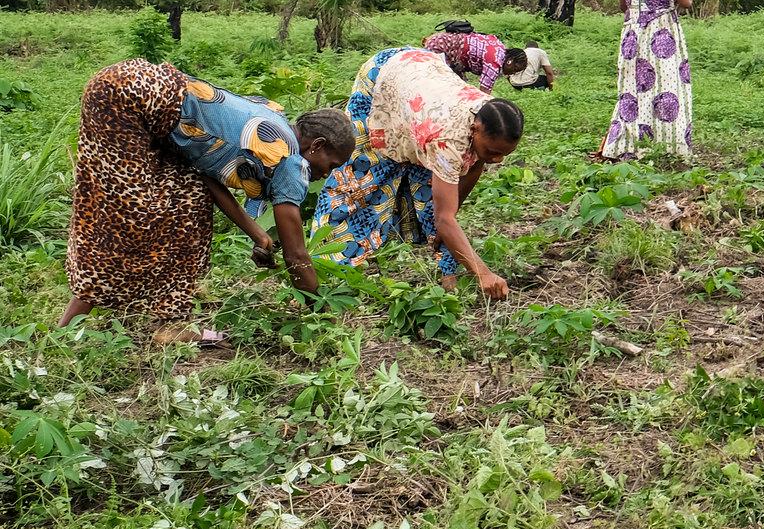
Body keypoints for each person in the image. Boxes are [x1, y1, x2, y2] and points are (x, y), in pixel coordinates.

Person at [59, 60, 354, 341]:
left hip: (135, 91)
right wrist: (322, 312)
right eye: (332, 164)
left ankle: (171, 322)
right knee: (129, 222)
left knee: (188, 205)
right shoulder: (289, 161)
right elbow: (296, 256)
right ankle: (66, 329)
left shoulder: (274, 124)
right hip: (127, 98)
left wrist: (257, 234)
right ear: (316, 146)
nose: (325, 175)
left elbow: (205, 175)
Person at [309, 47, 523, 298]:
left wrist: (449, 217)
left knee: (437, 202)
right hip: (385, 78)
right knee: (356, 182)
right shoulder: (447, 139)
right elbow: (445, 216)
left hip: (421, 87)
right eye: (493, 151)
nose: (497, 159)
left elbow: (473, 169)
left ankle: (448, 276)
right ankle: (325, 270)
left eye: (504, 155)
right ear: (475, 129)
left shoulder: (492, 116)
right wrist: (483, 272)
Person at [603, 0, 694, 161]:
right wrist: (684, 0)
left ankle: (628, 145)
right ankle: (668, 146)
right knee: (667, 85)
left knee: (631, 89)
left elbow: (623, 4)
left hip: (632, 35)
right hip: (662, 33)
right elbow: (685, 1)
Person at [422, 24, 528, 93]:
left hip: (450, 51)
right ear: (510, 61)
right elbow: (484, 94)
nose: (512, 74)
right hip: (440, 47)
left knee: (461, 88)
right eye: (514, 70)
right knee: (441, 87)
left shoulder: (500, 48)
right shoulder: (494, 63)